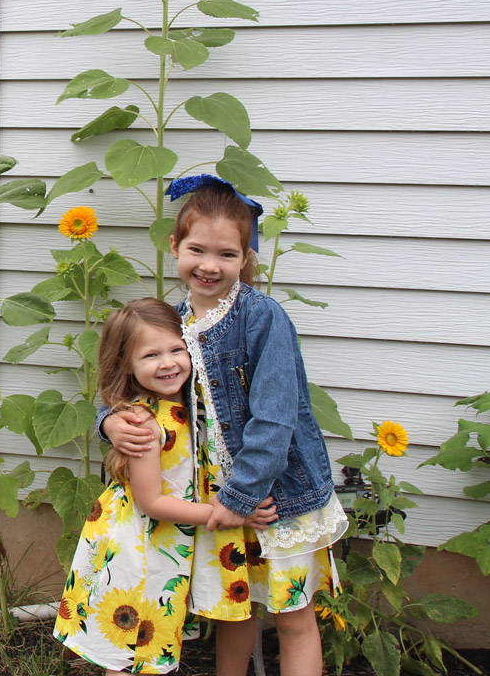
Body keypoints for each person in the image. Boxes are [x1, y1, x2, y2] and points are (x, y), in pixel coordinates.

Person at [101, 176, 348, 676]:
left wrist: (240, 499)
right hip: (213, 499)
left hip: (271, 496)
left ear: (246, 259)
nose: (209, 266)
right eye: (196, 249)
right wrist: (109, 423)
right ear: (175, 246)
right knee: (233, 607)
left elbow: (276, 419)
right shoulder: (169, 321)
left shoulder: (262, 319)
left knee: (292, 615)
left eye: (227, 255)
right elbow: (125, 377)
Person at [54, 297, 277, 675]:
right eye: (151, 355)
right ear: (126, 363)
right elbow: (152, 502)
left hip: (167, 542)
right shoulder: (141, 421)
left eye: (177, 349)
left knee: (148, 644)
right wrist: (229, 514)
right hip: (141, 546)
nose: (168, 363)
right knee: (136, 650)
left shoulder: (191, 406)